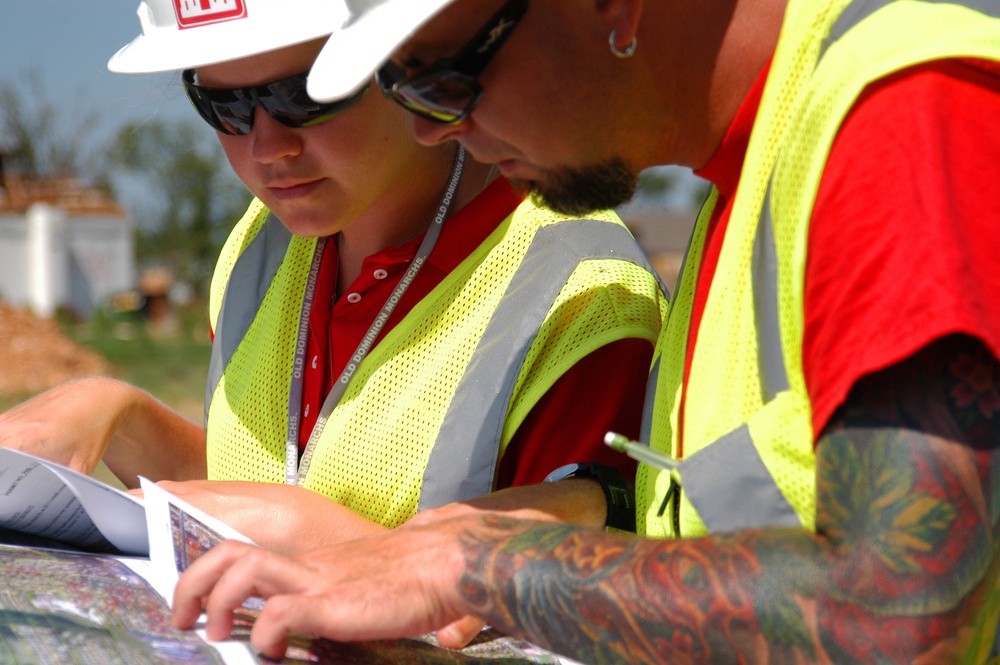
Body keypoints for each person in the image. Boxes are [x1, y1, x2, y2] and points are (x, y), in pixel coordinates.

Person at [170, 0, 1000, 661]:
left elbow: (906, 615)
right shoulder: (741, 187)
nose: (430, 127)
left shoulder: (900, 112)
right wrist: (580, 501)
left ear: (613, 6)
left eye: (448, 77)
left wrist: (476, 566)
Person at [0, 0, 668, 560]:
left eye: (303, 97)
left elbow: (559, 598)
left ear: (405, 55)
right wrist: (120, 414)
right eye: (224, 108)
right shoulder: (260, 244)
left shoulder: (582, 296)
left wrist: (297, 530)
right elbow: (267, 478)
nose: (268, 148)